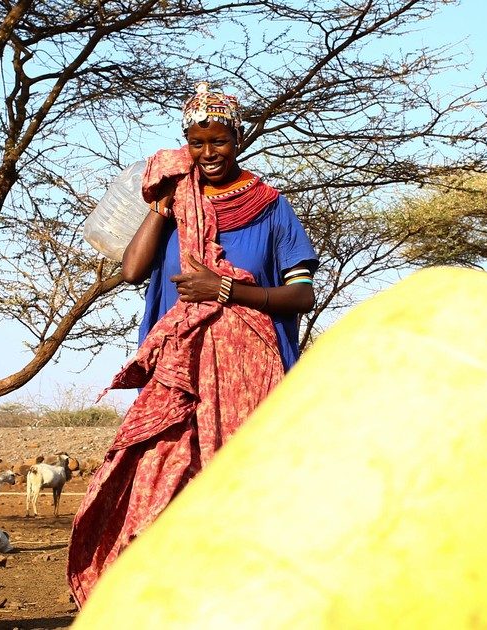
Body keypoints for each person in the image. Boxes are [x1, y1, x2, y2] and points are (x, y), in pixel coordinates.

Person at [66, 82, 319, 605]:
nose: (209, 154)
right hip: (178, 371)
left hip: (253, 369)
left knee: (245, 489)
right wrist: (163, 204)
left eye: (219, 141)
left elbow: (301, 295)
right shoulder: (175, 202)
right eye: (197, 143)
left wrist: (225, 289)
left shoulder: (271, 208)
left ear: (238, 138)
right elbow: (134, 271)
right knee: (163, 486)